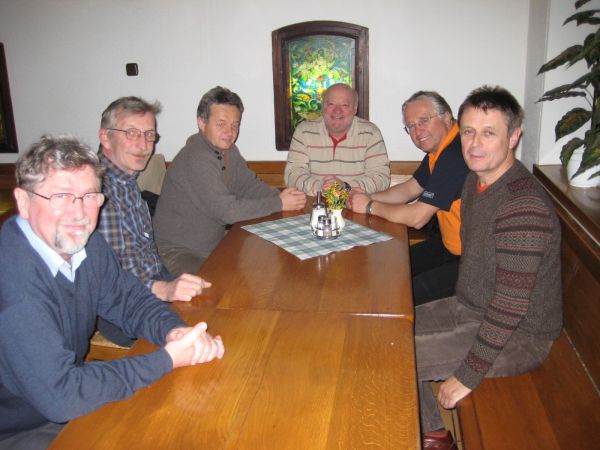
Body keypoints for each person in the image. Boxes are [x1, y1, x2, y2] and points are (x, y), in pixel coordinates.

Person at [0, 135, 224, 449]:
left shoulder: (86, 245)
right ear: (24, 202)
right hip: (17, 426)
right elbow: (62, 396)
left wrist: (173, 331)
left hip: (58, 399)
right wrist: (166, 360)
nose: (79, 212)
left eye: (90, 195)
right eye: (61, 196)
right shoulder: (13, 280)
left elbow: (129, 301)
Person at [416, 86, 562, 450]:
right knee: (389, 334)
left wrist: (467, 375)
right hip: (470, 306)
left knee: (401, 357)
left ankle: (434, 439)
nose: (475, 144)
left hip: (521, 336)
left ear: (513, 137)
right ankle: (431, 429)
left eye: (489, 133)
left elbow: (509, 308)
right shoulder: (474, 181)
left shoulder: (523, 207)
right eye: (468, 131)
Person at [153, 86, 306, 276]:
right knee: (219, 289)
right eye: (221, 124)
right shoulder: (196, 157)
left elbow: (249, 186)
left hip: (214, 245)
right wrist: (279, 203)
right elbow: (227, 211)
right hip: (179, 251)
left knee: (263, 268)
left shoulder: (228, 151)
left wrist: (284, 197)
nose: (229, 132)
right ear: (201, 123)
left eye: (235, 125)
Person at [98, 96, 211, 346]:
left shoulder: (127, 182)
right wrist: (164, 289)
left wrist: (171, 284)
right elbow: (104, 283)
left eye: (150, 135)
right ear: (105, 137)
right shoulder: (95, 193)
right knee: (205, 340)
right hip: (122, 313)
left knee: (221, 301)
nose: (144, 145)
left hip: (157, 285)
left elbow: (146, 258)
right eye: (132, 133)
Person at [348, 91, 469, 305]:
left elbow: (417, 218)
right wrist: (367, 197)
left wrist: (369, 206)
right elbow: (410, 188)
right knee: (392, 268)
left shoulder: (456, 154)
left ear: (447, 117)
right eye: (410, 126)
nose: (417, 131)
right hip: (450, 245)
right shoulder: (440, 150)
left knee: (400, 294)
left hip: (475, 263)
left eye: (424, 121)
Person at [284, 83, 390, 195]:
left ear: (355, 109)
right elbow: (292, 173)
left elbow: (381, 177)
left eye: (344, 105)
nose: (337, 111)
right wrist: (321, 189)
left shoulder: (370, 133)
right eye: (331, 104)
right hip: (316, 202)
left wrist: (345, 187)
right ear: (323, 107)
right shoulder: (304, 131)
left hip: (356, 202)